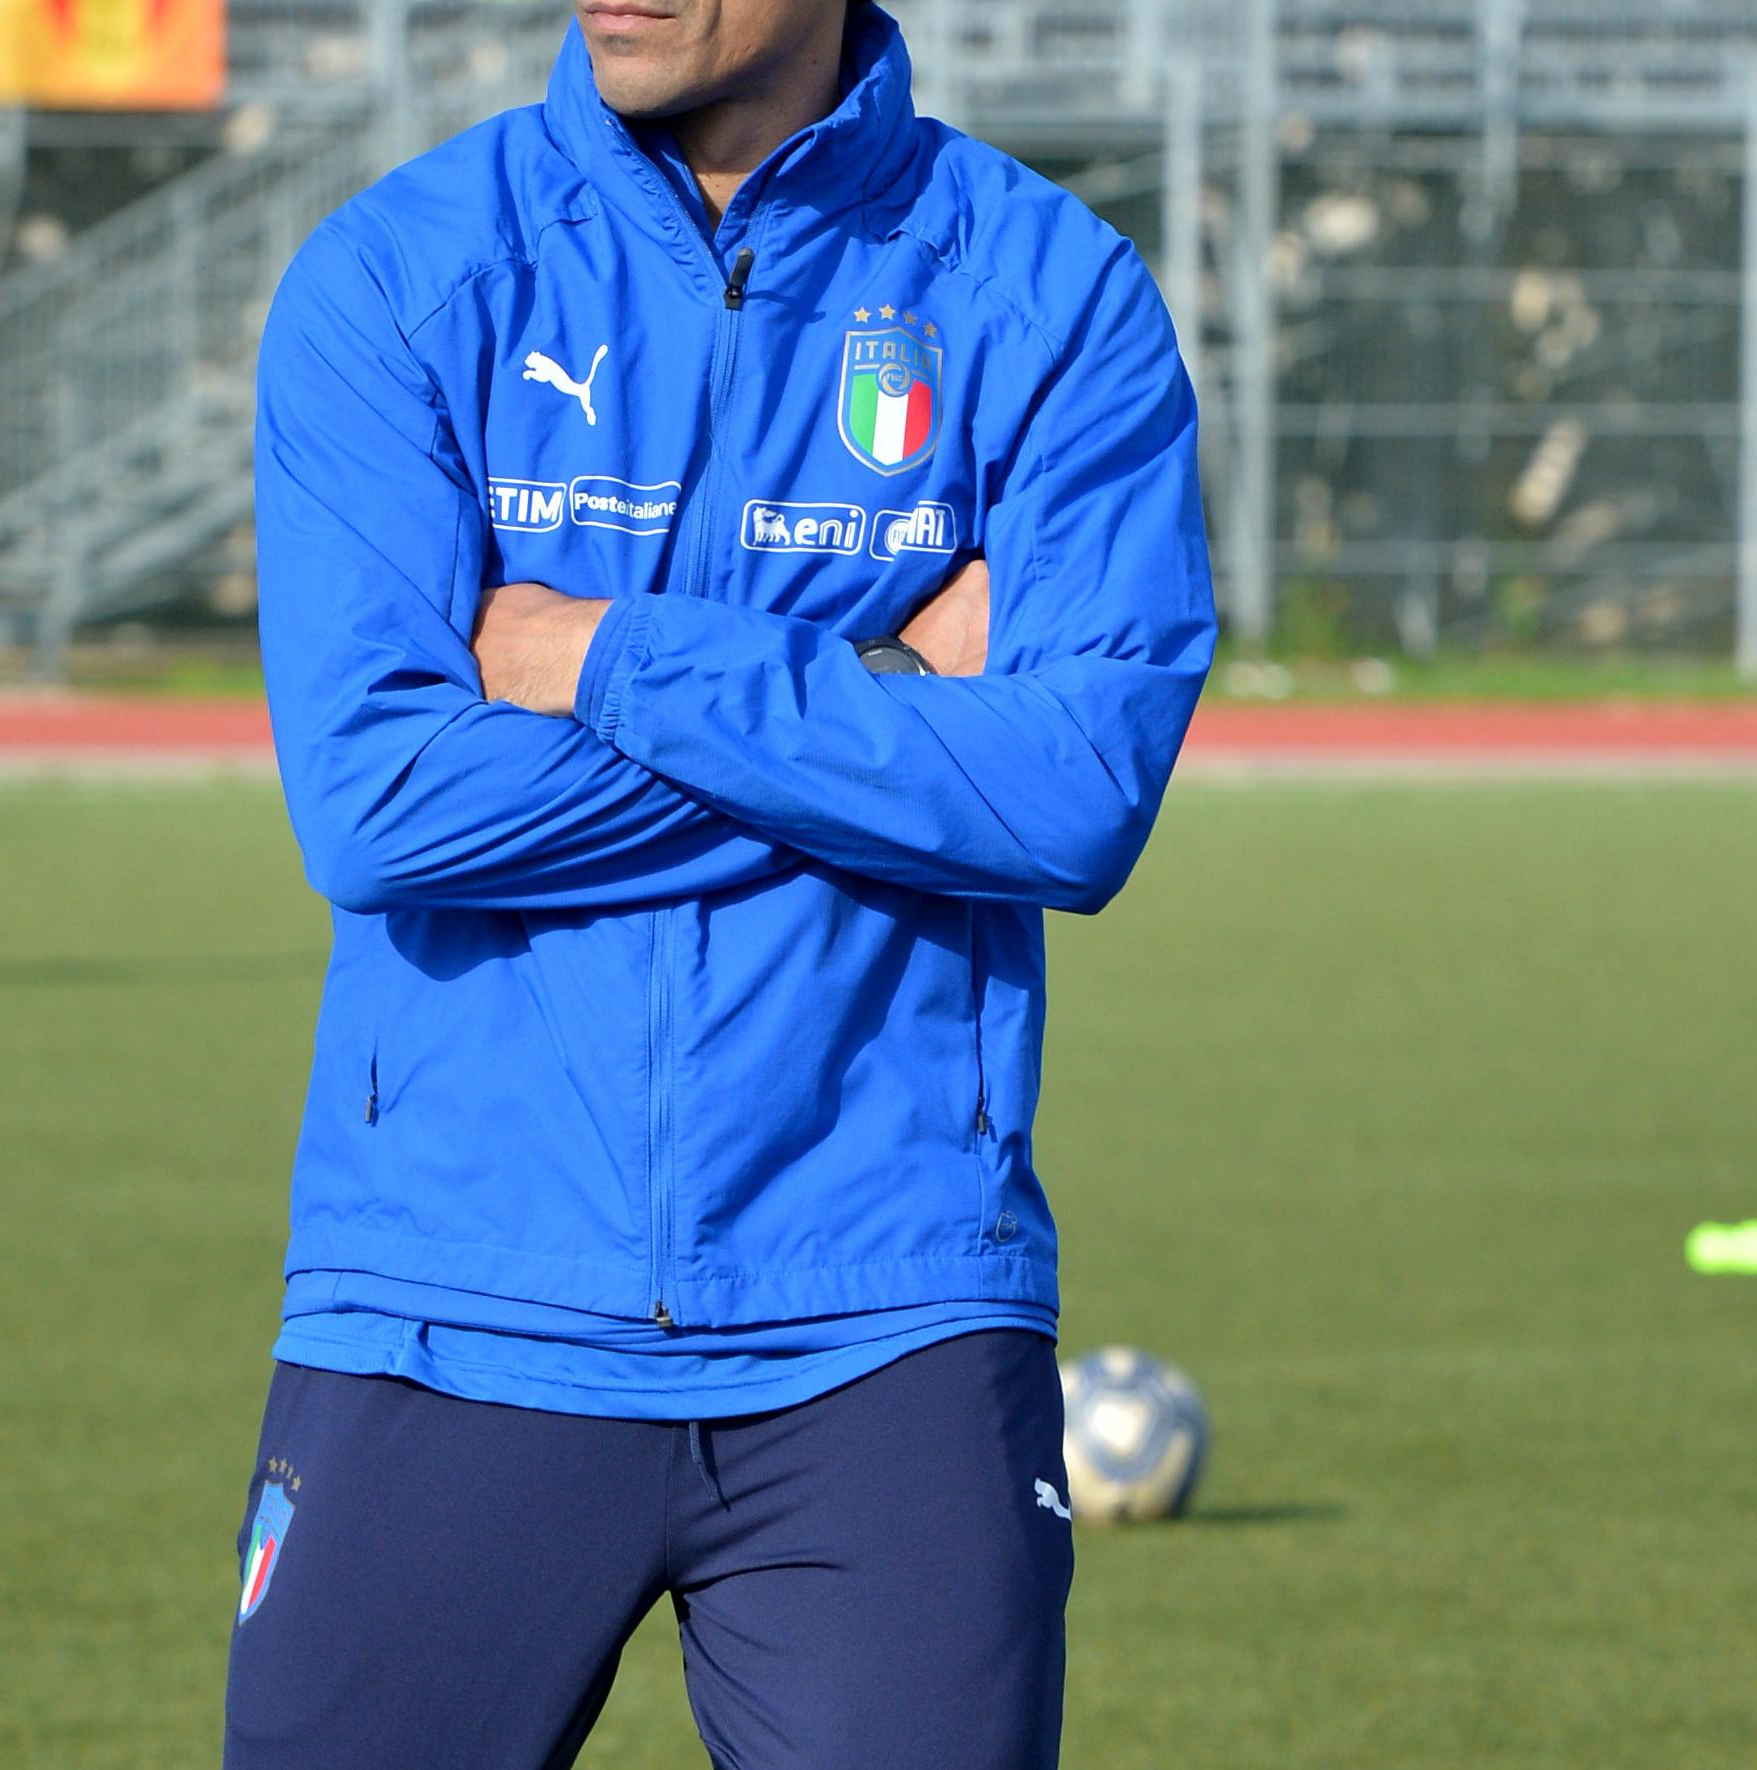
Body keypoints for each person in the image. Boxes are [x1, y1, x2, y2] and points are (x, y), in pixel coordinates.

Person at [235, 1, 1215, 1764]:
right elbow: (383, 802)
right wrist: (907, 710)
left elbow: (1074, 793)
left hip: (891, 1307)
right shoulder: (398, 276)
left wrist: (614, 656)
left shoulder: (1050, 296)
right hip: (455, 1294)